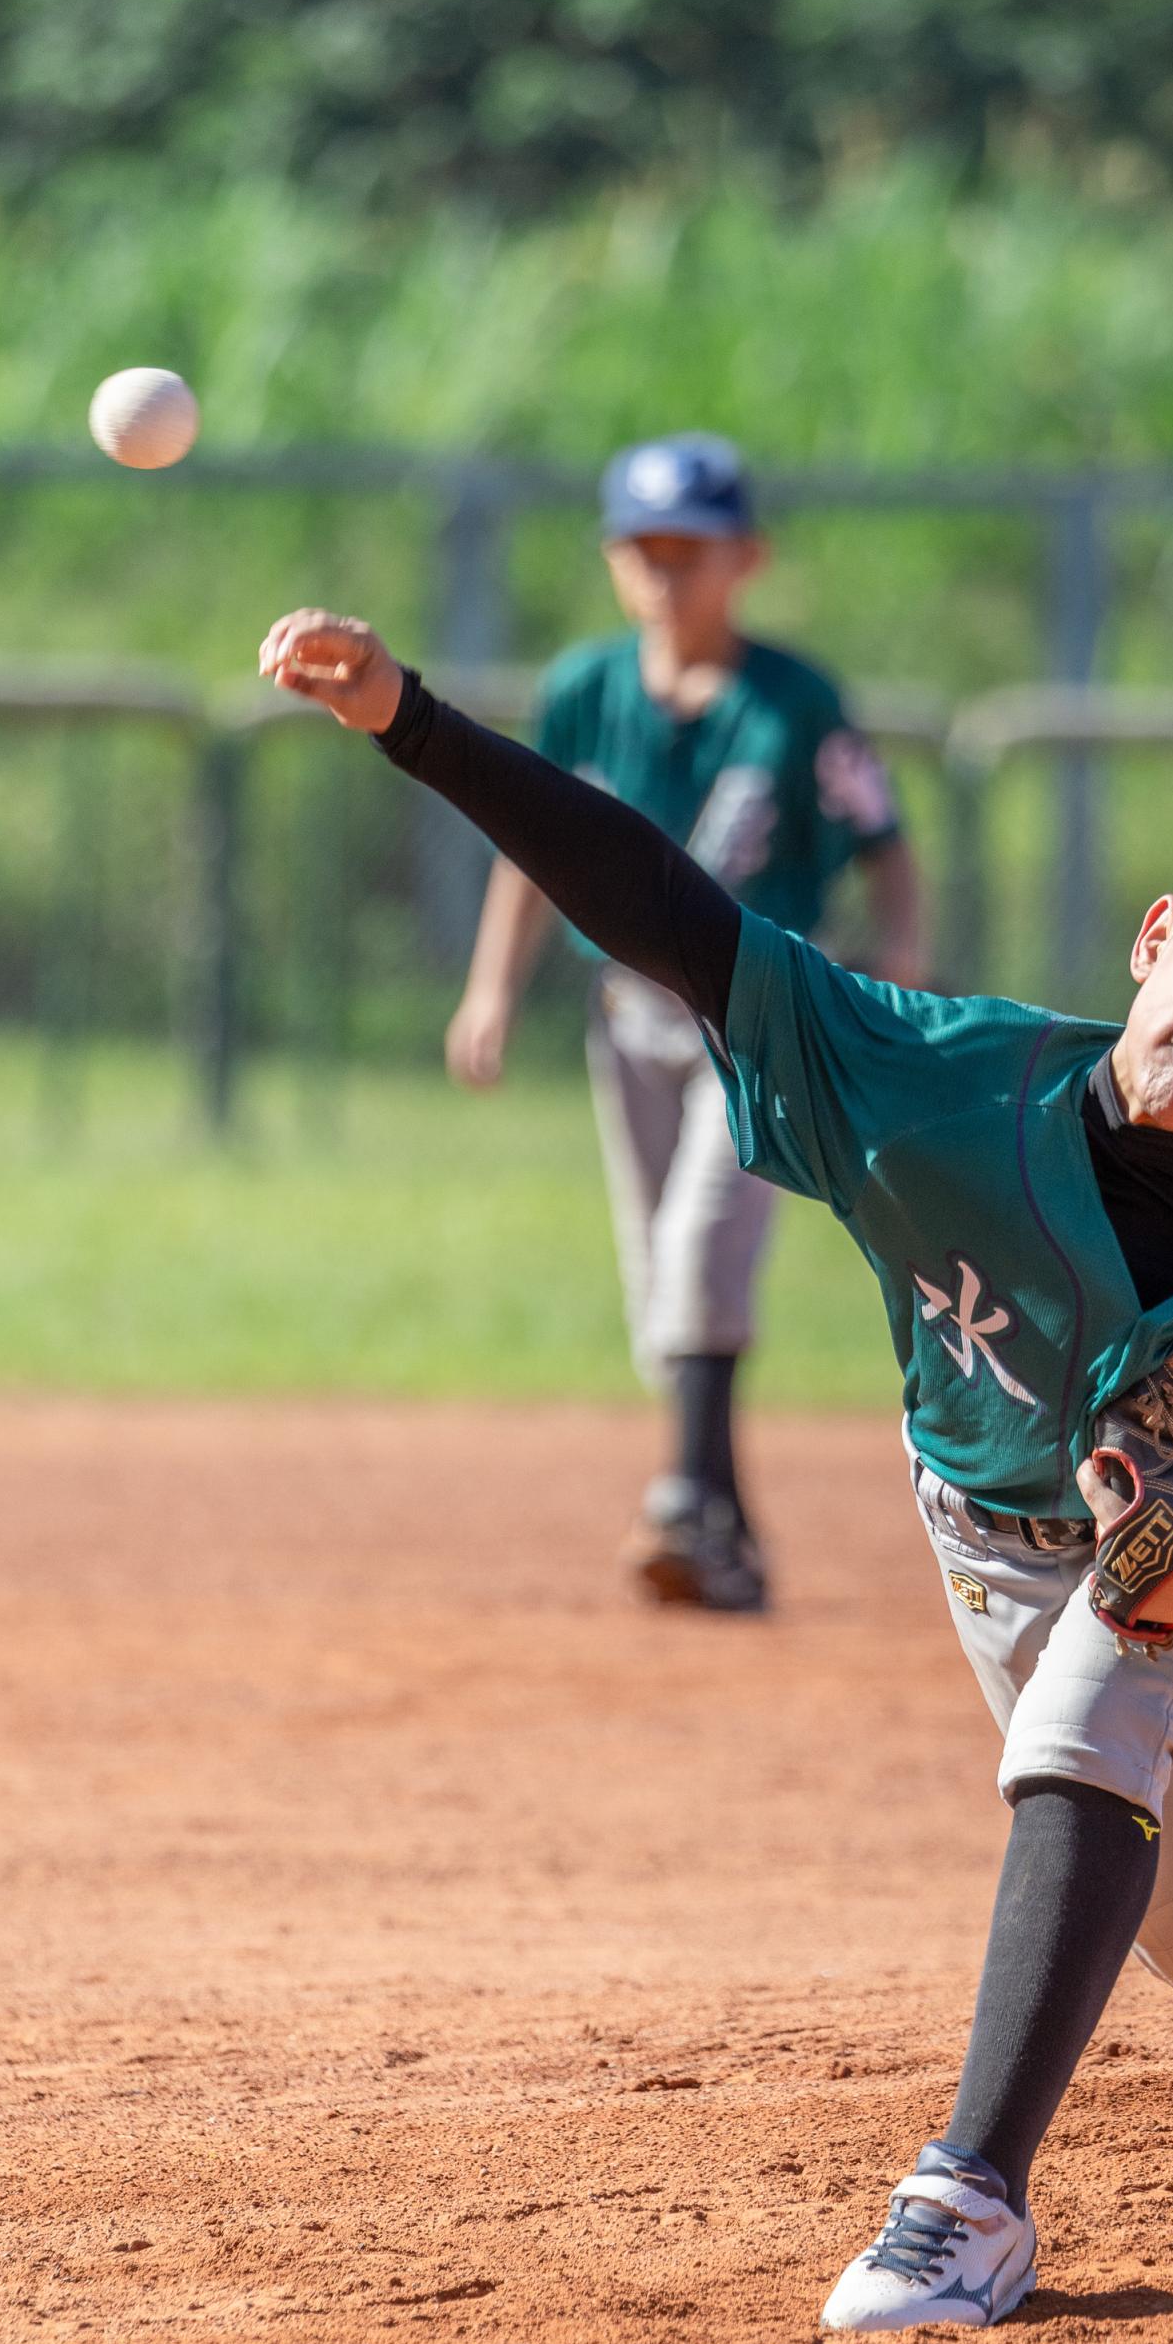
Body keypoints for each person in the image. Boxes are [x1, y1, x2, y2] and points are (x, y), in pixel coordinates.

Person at [258, 604, 1173, 2336]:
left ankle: (969, 2202)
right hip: (982, 1531)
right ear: (1157, 936)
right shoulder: (929, 1083)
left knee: (1096, 1708)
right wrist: (412, 720)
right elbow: (665, 908)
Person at [443, 434, 924, 1614]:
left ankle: (678, 1502)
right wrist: (491, 985)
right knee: (659, 1279)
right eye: (643, 549)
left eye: (691, 551)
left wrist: (900, 953)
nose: (666, 573)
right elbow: (533, 852)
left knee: (703, 1251)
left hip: (757, 1016)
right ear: (614, 559)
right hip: (627, 1017)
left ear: (744, 559)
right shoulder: (585, 690)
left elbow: (885, 843)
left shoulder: (795, 703)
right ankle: (724, 1532)